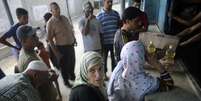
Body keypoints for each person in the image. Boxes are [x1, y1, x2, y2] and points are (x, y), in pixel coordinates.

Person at [108, 41, 174, 101]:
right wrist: (156, 64)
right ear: (141, 59)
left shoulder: (118, 69)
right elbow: (169, 84)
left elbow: (132, 62)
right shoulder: (146, 83)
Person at [16, 25, 58, 101]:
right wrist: (50, 78)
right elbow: (33, 86)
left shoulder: (31, 51)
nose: (37, 38)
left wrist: (47, 71)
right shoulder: (29, 60)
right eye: (33, 36)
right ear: (23, 41)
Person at [47, 2, 76, 87]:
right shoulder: (50, 23)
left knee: (72, 62)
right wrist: (56, 53)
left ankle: (71, 76)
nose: (58, 10)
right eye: (55, 9)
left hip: (70, 45)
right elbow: (49, 39)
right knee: (64, 66)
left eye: (58, 8)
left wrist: (74, 38)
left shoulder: (64, 18)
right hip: (61, 48)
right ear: (51, 11)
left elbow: (70, 29)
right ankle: (66, 81)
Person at [96, 0, 120, 77]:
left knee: (114, 58)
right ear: (104, 2)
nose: (110, 4)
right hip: (104, 42)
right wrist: (100, 42)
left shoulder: (116, 14)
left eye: (111, 2)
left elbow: (119, 27)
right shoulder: (99, 16)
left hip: (114, 42)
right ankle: (104, 74)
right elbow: (98, 31)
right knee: (104, 59)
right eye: (108, 2)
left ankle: (114, 74)